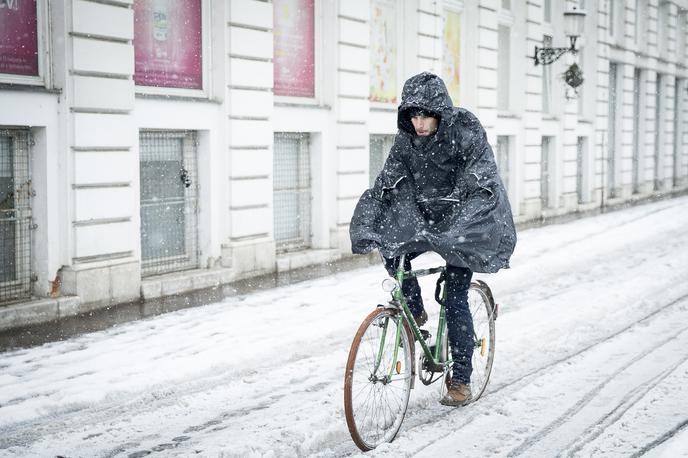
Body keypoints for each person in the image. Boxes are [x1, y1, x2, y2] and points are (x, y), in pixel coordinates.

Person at [350, 72, 516, 406]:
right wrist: (368, 224)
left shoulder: (465, 132)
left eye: (425, 115)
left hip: (463, 217)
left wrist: (458, 228)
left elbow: (480, 182)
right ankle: (413, 308)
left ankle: (460, 378)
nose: (419, 123)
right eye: (413, 115)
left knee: (455, 296)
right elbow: (385, 185)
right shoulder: (405, 142)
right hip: (425, 216)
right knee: (391, 248)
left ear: (439, 112)